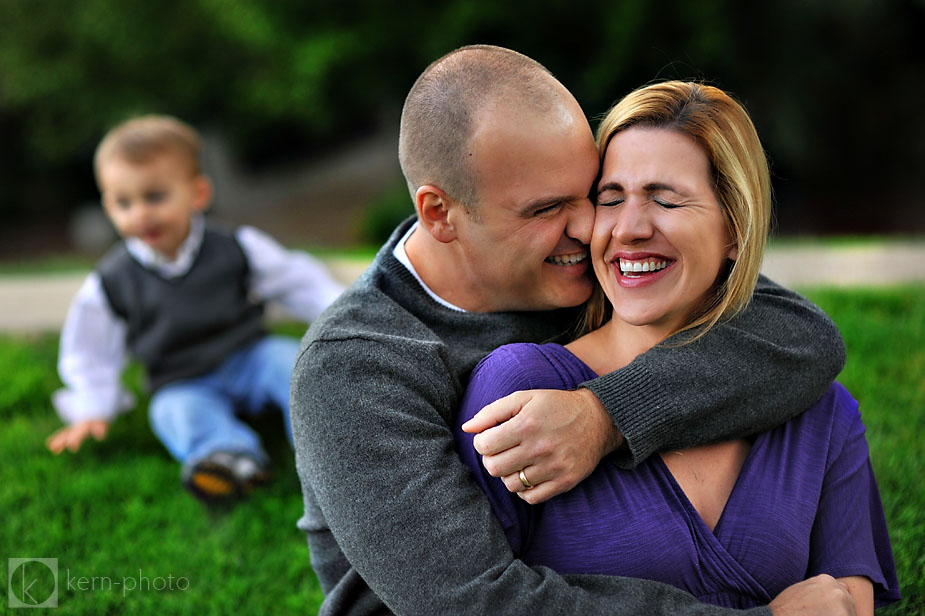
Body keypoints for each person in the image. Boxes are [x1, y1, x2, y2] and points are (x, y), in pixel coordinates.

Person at [291, 45, 852, 615]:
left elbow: (801, 336)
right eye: (545, 210)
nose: (591, 229)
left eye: (590, 194)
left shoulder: (581, 273)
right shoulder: (355, 367)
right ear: (440, 214)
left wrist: (604, 416)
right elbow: (476, 602)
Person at [455, 81, 900, 613]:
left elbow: (848, 602)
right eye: (610, 199)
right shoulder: (521, 390)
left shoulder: (818, 408)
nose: (630, 228)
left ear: (735, 229)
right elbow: (475, 601)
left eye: (665, 200)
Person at [46, 115, 345, 504]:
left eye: (154, 197)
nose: (140, 214)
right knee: (173, 412)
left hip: (248, 355)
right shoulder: (110, 282)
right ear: (107, 206)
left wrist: (343, 311)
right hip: (182, 378)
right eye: (123, 203)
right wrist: (92, 406)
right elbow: (91, 350)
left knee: (292, 364)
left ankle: (328, 444)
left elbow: (298, 281)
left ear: (198, 194)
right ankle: (228, 459)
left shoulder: (236, 246)